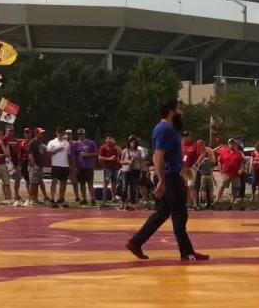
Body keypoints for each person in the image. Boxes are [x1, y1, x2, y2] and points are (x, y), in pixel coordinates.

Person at [125, 100, 207, 261]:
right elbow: (158, 156)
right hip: (169, 177)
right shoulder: (164, 129)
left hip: (172, 175)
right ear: (171, 112)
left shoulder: (169, 129)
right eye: (179, 109)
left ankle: (136, 242)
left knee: (162, 213)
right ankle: (186, 252)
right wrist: (162, 180)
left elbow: (170, 155)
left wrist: (183, 168)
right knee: (179, 214)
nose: (181, 112)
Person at [215, 138, 245, 207]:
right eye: (230, 143)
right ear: (228, 144)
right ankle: (216, 200)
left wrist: (242, 169)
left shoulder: (238, 153)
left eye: (233, 143)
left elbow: (242, 162)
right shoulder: (224, 152)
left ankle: (232, 201)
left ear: (234, 144)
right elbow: (219, 162)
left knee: (235, 188)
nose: (231, 144)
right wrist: (221, 170)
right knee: (222, 186)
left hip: (236, 174)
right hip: (226, 173)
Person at [72, 129, 97, 205]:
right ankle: (84, 199)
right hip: (80, 166)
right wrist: (74, 166)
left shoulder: (91, 143)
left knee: (90, 183)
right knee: (82, 183)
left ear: (84, 134)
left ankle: (93, 199)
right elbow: (74, 156)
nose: (80, 135)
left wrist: (88, 154)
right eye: (78, 134)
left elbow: (96, 153)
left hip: (89, 166)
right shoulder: (76, 144)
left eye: (81, 134)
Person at [47, 129, 72, 206]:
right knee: (54, 181)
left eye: (61, 133)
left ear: (63, 133)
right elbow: (49, 153)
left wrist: (70, 166)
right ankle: (52, 199)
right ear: (56, 133)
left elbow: (68, 155)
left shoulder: (67, 143)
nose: (60, 134)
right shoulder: (52, 142)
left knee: (63, 183)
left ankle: (61, 198)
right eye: (58, 132)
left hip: (65, 165)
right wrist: (56, 150)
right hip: (55, 165)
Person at [26, 128, 49, 207]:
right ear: (36, 133)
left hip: (39, 166)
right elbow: (30, 155)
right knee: (32, 183)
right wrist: (35, 164)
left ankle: (35, 199)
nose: (42, 134)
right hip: (33, 166)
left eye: (43, 133)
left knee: (37, 183)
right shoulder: (32, 142)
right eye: (41, 133)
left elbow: (43, 152)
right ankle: (29, 199)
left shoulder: (40, 142)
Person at [98, 134, 120, 205]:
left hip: (115, 167)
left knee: (114, 183)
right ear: (106, 140)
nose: (110, 140)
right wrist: (109, 158)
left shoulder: (115, 147)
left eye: (111, 138)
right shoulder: (104, 147)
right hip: (107, 167)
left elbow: (122, 152)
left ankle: (113, 197)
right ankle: (104, 198)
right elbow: (100, 157)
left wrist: (116, 145)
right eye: (108, 138)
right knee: (106, 182)